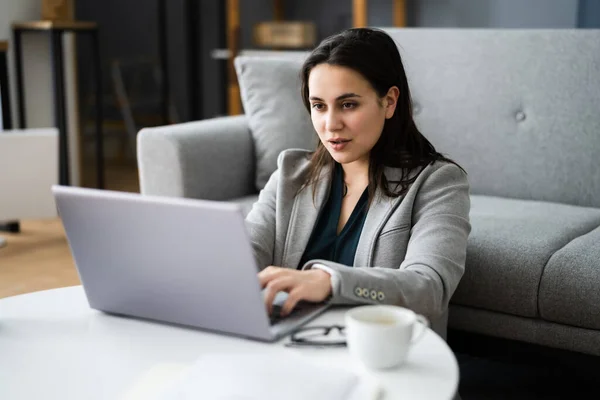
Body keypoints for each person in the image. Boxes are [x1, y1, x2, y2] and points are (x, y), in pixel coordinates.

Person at [245, 27, 471, 338]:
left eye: (348, 104)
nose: (331, 124)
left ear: (389, 102)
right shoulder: (289, 174)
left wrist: (329, 281)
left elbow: (428, 289)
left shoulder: (438, 182)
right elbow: (245, 253)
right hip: (291, 347)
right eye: (319, 106)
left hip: (383, 357)